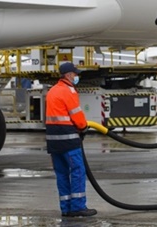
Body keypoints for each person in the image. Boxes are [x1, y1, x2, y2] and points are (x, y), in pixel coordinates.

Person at [46, 62, 97, 218]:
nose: (77, 77)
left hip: (53, 140)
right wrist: (83, 128)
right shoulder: (69, 91)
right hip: (68, 138)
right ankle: (78, 207)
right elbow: (77, 116)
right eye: (75, 74)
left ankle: (66, 208)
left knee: (61, 173)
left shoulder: (52, 91)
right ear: (68, 75)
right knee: (77, 171)